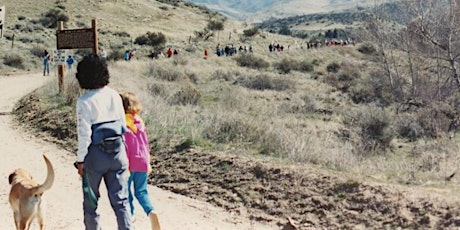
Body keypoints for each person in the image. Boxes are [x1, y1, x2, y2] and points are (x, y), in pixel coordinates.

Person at [74, 53, 132, 230]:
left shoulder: (84, 101)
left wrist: (80, 161)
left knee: (91, 204)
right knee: (121, 202)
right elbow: (123, 125)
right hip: (118, 153)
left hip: (95, 156)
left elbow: (84, 135)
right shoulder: (115, 95)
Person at [120, 92, 161, 230]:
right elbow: (146, 144)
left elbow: (123, 144)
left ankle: (130, 217)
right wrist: (148, 161)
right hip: (143, 161)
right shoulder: (140, 121)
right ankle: (151, 211)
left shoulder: (122, 122)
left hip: (129, 163)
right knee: (141, 191)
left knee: (126, 191)